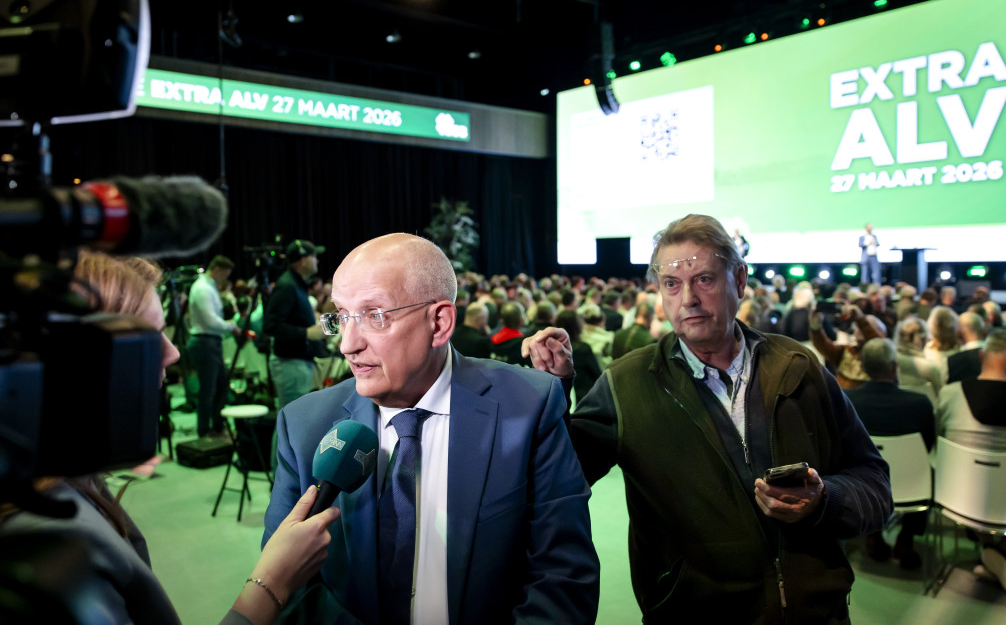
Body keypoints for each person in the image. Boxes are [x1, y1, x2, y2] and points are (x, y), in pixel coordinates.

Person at [524, 214, 892, 622]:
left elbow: (874, 482)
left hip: (816, 613)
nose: (688, 299)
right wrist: (554, 390)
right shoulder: (626, 385)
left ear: (739, 280)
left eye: (704, 279)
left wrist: (824, 500)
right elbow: (556, 480)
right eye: (672, 284)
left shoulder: (799, 367)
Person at [262, 233, 599, 624]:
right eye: (341, 316)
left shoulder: (528, 407)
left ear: (439, 323)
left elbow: (563, 579)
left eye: (374, 316)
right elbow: (286, 589)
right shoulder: (303, 426)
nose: (347, 345)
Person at [0, 250, 342, 625]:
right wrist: (273, 581)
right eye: (150, 339)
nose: (173, 353)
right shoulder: (52, 540)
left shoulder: (71, 484)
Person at [937, 328, 1006, 597]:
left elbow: (938, 440)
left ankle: (990, 553)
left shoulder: (950, 394)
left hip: (959, 500)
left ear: (981, 356)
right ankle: (1001, 553)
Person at [845, 338, 935, 569]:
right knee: (927, 468)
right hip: (914, 485)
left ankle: (873, 533)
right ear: (895, 367)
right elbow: (928, 446)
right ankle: (906, 539)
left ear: (863, 368)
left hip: (863, 485)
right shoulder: (920, 403)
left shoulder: (848, 401)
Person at [264, 239, 327, 410]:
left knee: (293, 420)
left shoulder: (296, 284)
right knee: (291, 420)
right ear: (304, 259)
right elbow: (270, 325)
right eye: (314, 256)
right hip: (290, 363)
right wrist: (306, 333)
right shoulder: (287, 286)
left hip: (295, 362)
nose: (317, 260)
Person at [187, 254, 242, 438]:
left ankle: (216, 426)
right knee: (208, 390)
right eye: (224, 274)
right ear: (217, 270)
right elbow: (210, 321)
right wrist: (230, 325)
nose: (225, 279)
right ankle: (204, 431)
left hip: (210, 341)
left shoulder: (208, 287)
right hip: (205, 341)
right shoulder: (202, 288)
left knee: (220, 387)